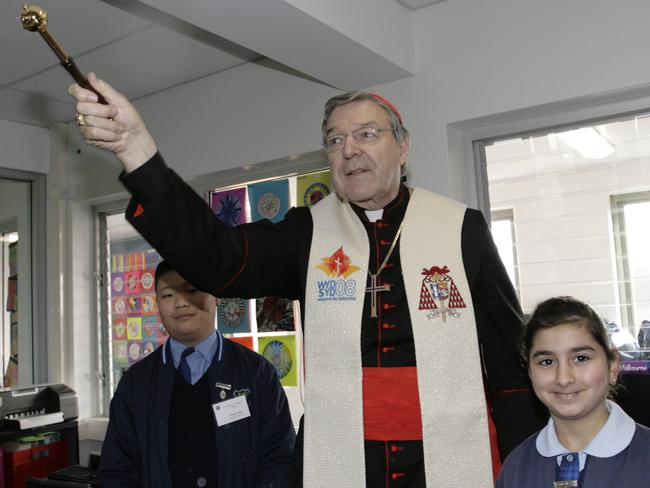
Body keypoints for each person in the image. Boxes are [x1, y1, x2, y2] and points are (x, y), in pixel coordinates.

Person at [70, 74, 545, 488]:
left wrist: (530, 467)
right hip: (342, 462)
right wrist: (136, 151)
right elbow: (216, 260)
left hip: (448, 457)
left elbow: (509, 370)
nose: (349, 149)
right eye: (335, 141)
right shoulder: (308, 233)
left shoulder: (461, 229)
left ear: (402, 146)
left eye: (366, 134)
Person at [99, 260, 295, 488]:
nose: (180, 303)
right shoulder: (136, 383)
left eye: (192, 290)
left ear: (216, 295)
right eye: (167, 295)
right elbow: (117, 470)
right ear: (157, 304)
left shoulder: (257, 373)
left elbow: (281, 459)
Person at [496, 296, 650, 487]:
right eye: (547, 362)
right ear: (529, 372)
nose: (563, 379)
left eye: (581, 358)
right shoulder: (516, 468)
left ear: (612, 365)